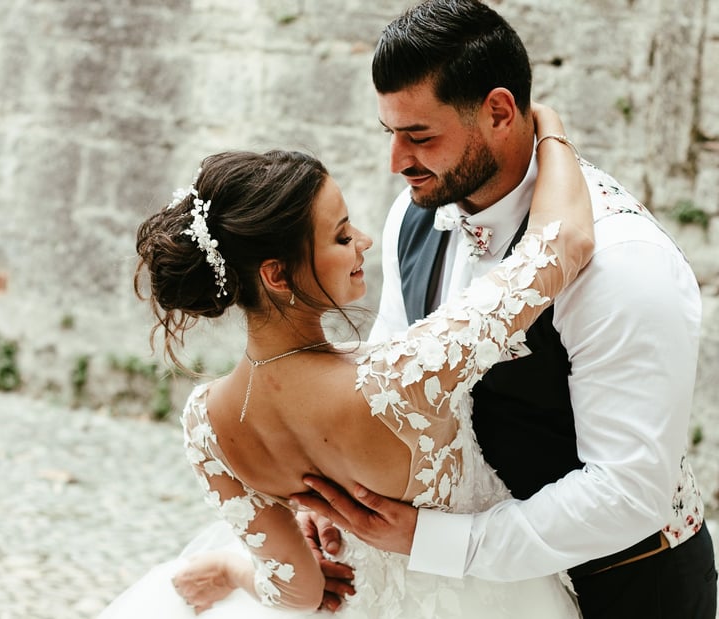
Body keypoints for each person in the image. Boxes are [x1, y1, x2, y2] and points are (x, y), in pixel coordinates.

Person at [292, 1, 717, 618]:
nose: (397, 163)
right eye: (392, 133)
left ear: (498, 111)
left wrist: (434, 541)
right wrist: (340, 506)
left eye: (421, 136)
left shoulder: (625, 263)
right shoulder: (411, 216)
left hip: (623, 587)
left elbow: (628, 491)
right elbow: (391, 381)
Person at [98, 102, 595, 618]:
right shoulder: (405, 375)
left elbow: (302, 592)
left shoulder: (208, 424)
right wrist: (551, 129)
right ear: (276, 275)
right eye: (340, 236)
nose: (364, 241)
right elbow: (566, 242)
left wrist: (232, 571)